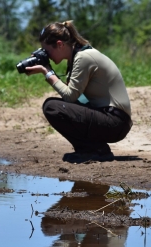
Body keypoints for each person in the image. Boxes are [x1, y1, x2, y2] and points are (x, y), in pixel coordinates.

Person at [25, 20, 133, 163]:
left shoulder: (83, 57)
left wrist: (47, 72)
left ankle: (94, 150)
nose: (47, 56)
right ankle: (90, 150)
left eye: (47, 51)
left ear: (59, 44)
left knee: (51, 107)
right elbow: (75, 98)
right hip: (112, 120)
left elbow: (70, 97)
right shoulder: (79, 56)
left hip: (115, 122)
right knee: (59, 106)